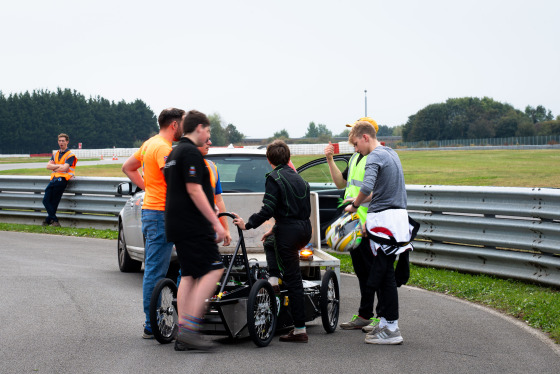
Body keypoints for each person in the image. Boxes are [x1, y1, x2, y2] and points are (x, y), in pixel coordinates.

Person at [345, 121, 418, 345]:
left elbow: (367, 187)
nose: (356, 150)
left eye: (356, 144)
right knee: (385, 273)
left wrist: (355, 205)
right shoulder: (391, 153)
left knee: (385, 276)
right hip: (397, 220)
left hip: (384, 222)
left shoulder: (374, 156)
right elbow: (378, 191)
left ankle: (392, 328)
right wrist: (357, 200)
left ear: (365, 137)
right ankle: (386, 323)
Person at [233, 140, 312, 343]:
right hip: (304, 229)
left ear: (269, 160)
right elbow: (296, 211)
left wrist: (247, 224)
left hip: (289, 232)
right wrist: (274, 229)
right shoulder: (300, 179)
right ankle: (275, 280)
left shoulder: (274, 178)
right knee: (270, 243)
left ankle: (299, 329)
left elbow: (268, 209)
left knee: (293, 280)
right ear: (288, 158)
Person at [164, 110, 226, 351]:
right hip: (192, 224)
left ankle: (183, 332)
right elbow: (194, 190)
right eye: (208, 131)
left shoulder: (173, 153)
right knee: (214, 269)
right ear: (199, 128)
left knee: (189, 275)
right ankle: (190, 330)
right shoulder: (190, 152)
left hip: (176, 223)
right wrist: (215, 222)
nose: (209, 135)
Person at [121, 107, 185, 339]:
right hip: (160, 213)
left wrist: (148, 187)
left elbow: (127, 167)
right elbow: (173, 181)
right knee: (156, 271)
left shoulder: (149, 143)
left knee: (163, 268)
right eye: (183, 124)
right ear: (174, 125)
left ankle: (168, 314)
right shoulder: (163, 148)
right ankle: (152, 324)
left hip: (153, 211)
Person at [324, 117, 380, 332]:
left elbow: (379, 192)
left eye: (355, 136)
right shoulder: (356, 157)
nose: (352, 141)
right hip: (355, 224)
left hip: (369, 224)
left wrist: (361, 210)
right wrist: (330, 159)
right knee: (362, 271)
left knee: (375, 272)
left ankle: (380, 316)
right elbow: (341, 184)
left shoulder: (375, 158)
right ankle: (366, 314)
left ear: (367, 134)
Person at [198, 137, 231, 247]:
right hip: (191, 231)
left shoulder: (212, 167)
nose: (210, 143)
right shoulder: (182, 165)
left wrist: (225, 229)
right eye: (206, 139)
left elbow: (218, 200)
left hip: (209, 231)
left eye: (210, 139)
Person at [42, 133, 77, 227]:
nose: (61, 143)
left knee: (54, 201)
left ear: (67, 142)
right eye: (59, 141)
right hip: (53, 179)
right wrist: (58, 166)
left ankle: (49, 221)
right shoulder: (55, 153)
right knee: (46, 200)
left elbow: (65, 169)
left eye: (63, 141)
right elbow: (48, 166)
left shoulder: (70, 155)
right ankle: (52, 220)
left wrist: (54, 167)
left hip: (62, 180)